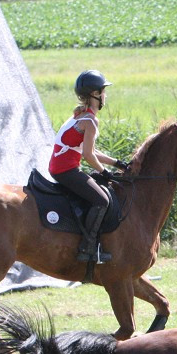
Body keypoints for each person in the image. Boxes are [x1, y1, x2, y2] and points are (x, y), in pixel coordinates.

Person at [48, 70, 129, 263]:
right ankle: (88, 248)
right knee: (102, 200)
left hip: (62, 168)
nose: (105, 96)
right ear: (95, 94)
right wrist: (105, 172)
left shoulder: (80, 115)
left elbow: (88, 150)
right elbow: (88, 155)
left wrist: (117, 163)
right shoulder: (90, 120)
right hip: (66, 170)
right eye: (103, 91)